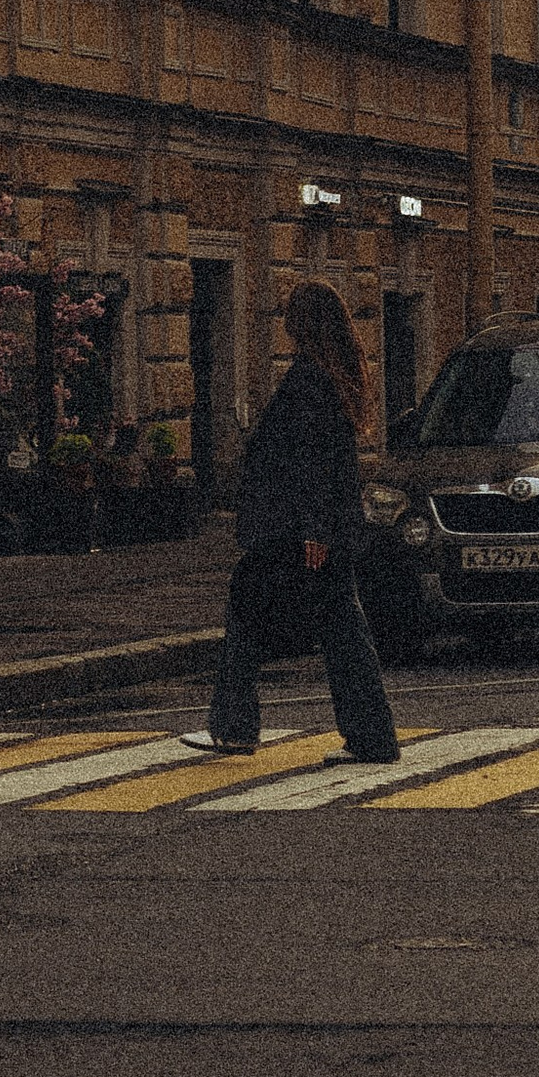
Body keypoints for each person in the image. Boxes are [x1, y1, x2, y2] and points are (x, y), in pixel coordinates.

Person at [194, 277, 400, 764]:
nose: (283, 320)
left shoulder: (309, 378)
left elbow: (310, 461)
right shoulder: (330, 374)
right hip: (318, 529)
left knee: (247, 615)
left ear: (302, 323)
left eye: (289, 312)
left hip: (297, 530)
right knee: (343, 633)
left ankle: (235, 730)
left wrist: (314, 530)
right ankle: (373, 738)